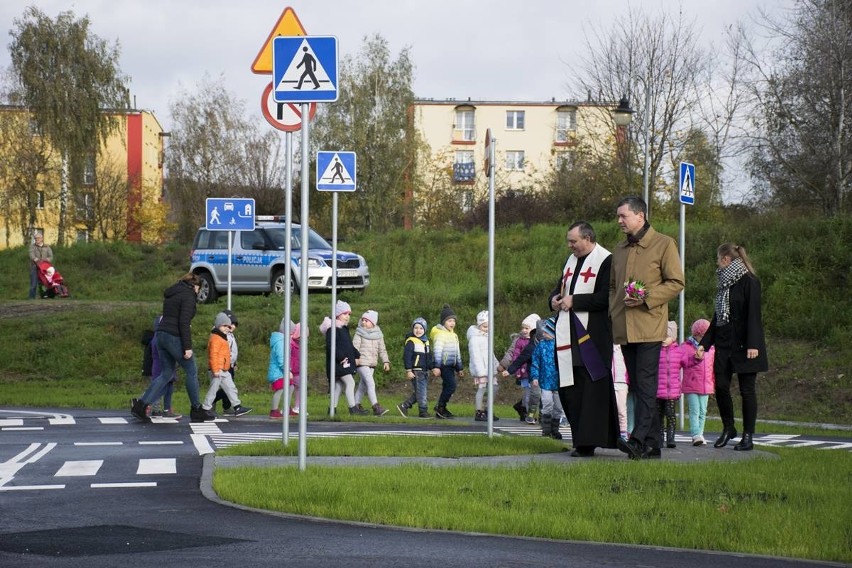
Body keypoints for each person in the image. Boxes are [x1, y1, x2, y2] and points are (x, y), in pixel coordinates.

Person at [609, 197, 684, 460]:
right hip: (624, 328)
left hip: (650, 327)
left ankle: (638, 439)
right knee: (639, 386)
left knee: (646, 384)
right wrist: (613, 309)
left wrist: (646, 296)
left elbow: (676, 282)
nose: (619, 220)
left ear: (640, 216)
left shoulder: (664, 244)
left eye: (623, 215)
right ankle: (653, 445)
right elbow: (613, 287)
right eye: (618, 216)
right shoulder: (619, 249)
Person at [550, 221, 619, 458]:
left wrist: (575, 301)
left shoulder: (607, 260)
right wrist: (554, 300)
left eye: (573, 241)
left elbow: (606, 298)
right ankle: (580, 439)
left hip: (592, 338)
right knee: (570, 390)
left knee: (590, 391)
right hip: (567, 335)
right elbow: (558, 288)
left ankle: (588, 443)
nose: (570, 246)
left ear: (588, 239)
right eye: (569, 241)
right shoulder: (570, 261)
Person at [696, 243, 768, 452]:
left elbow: (754, 314)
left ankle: (748, 435)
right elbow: (718, 316)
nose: (716, 263)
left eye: (718, 259)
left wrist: (753, 344)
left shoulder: (750, 282)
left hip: (745, 344)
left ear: (726, 259)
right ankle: (729, 427)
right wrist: (704, 344)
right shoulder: (723, 284)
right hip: (724, 343)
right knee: (720, 386)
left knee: (747, 390)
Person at [131, 273, 216, 423]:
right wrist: (187, 347)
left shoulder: (172, 293)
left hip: (161, 336)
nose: (198, 292)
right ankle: (196, 409)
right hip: (174, 336)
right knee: (191, 370)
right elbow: (184, 322)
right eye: (198, 289)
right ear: (195, 286)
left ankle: (141, 405)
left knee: (165, 373)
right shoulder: (189, 296)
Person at [320, 300, 369, 416]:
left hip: (343, 362)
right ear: (337, 314)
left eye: (349, 314)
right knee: (350, 382)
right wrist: (341, 357)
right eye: (344, 314)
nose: (347, 317)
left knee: (338, 386)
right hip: (338, 363)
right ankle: (352, 408)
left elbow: (348, 346)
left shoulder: (343, 329)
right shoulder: (333, 329)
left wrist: (356, 354)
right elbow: (331, 346)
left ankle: (332, 409)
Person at [201, 312, 252, 417]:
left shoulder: (223, 337)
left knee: (231, 388)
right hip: (217, 370)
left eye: (228, 326)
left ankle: (237, 406)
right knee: (213, 390)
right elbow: (213, 355)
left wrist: (231, 364)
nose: (227, 328)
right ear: (218, 325)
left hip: (224, 369)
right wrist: (215, 370)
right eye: (224, 326)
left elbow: (226, 354)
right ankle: (205, 408)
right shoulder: (215, 338)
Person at [498, 313, 540, 423]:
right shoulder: (519, 340)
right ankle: (527, 412)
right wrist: (504, 365)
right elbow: (513, 354)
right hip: (524, 371)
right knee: (529, 393)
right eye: (523, 328)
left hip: (538, 371)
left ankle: (527, 410)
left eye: (527, 328)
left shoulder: (540, 341)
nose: (524, 330)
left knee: (537, 394)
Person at [681, 318, 715, 446]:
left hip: (706, 384)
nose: (705, 338)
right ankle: (695, 434)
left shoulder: (711, 349)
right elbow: (683, 362)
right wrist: (694, 358)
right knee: (694, 410)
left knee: (703, 411)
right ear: (696, 334)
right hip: (692, 384)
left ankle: (700, 434)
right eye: (702, 335)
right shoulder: (686, 347)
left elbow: (712, 367)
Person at [141, 315, 180, 419]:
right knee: (160, 390)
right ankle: (144, 404)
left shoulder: (160, 337)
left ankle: (167, 409)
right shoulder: (158, 338)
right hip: (161, 368)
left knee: (169, 389)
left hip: (167, 367)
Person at [352, 310, 391, 416]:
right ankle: (376, 407)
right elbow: (355, 347)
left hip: (372, 364)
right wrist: (355, 358)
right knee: (370, 383)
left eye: (367, 320)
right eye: (363, 320)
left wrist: (385, 361)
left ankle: (355, 406)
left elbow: (382, 349)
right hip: (362, 363)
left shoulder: (378, 335)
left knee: (362, 386)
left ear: (373, 323)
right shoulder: (359, 333)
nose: (364, 322)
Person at [430, 304, 464, 419]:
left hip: (451, 366)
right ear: (444, 322)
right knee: (451, 385)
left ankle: (441, 408)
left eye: (453, 321)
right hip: (443, 365)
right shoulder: (440, 335)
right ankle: (440, 406)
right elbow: (437, 352)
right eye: (449, 321)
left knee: (447, 386)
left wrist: (460, 368)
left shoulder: (454, 335)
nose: (452, 323)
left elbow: (457, 352)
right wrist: (436, 367)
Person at [530, 316, 561, 440]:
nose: (543, 333)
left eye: (546, 331)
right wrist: (535, 376)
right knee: (547, 403)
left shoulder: (559, 346)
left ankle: (555, 429)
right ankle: (546, 429)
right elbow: (535, 362)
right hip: (545, 380)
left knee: (558, 406)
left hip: (558, 381)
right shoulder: (540, 346)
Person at [467, 310, 499, 422]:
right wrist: (480, 372)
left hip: (490, 369)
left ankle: (488, 410)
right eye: (485, 326)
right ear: (479, 325)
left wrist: (497, 365)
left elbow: (491, 354)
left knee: (494, 388)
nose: (487, 329)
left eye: (489, 326)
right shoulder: (474, 339)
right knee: (482, 388)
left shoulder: (487, 337)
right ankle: (479, 411)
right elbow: (475, 356)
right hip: (482, 370)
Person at [397, 317, 432, 419]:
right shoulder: (411, 341)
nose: (418, 330)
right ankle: (423, 411)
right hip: (416, 371)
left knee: (420, 391)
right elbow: (407, 357)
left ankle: (404, 406)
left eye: (421, 328)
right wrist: (408, 370)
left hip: (425, 371)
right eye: (416, 328)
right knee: (422, 392)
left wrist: (432, 367)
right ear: (412, 329)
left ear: (424, 329)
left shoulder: (426, 342)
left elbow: (429, 357)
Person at [657, 321, 684, 449]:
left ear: (673, 337)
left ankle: (671, 438)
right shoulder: (655, 351)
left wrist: (696, 358)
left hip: (672, 391)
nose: (663, 339)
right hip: (658, 390)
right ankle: (660, 437)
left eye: (666, 336)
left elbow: (688, 363)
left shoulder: (678, 351)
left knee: (671, 414)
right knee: (658, 415)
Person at [268, 319, 302, 419]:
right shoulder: (281, 342)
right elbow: (282, 358)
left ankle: (287, 408)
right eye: (291, 334)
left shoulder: (283, 341)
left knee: (290, 387)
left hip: (282, 371)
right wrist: (288, 370)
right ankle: (274, 410)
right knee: (280, 389)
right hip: (278, 372)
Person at [212, 309, 239, 414]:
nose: (233, 327)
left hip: (230, 364)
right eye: (231, 324)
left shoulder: (230, 335)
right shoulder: (223, 335)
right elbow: (223, 351)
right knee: (227, 387)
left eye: (234, 325)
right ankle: (212, 400)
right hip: (224, 365)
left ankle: (227, 407)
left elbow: (232, 350)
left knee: (229, 386)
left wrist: (234, 363)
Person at [612, 344, 629, 441]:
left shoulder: (624, 347)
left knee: (621, 410)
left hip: (622, 381)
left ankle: (623, 433)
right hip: (609, 381)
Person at [28, 232, 53, 300]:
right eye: (35, 238)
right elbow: (31, 255)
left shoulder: (47, 247)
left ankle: (44, 297)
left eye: (38, 238)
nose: (37, 239)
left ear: (42, 238)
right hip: (35, 267)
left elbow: (51, 256)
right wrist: (35, 259)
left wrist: (47, 260)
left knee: (44, 283)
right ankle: (31, 298)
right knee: (33, 284)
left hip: (45, 268)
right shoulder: (32, 246)